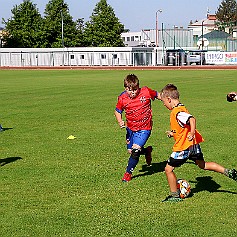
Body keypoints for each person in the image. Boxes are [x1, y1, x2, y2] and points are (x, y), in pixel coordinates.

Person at [160, 84, 237, 202]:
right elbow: (182, 127)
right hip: (193, 146)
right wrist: (173, 133)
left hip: (183, 147)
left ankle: (175, 195)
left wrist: (191, 132)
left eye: (164, 102)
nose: (164, 104)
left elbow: (191, 119)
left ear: (169, 99)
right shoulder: (182, 107)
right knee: (203, 165)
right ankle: (228, 172)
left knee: (168, 169)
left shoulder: (177, 111)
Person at [115, 74, 160, 182]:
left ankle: (128, 173)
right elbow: (118, 110)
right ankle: (147, 151)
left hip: (145, 128)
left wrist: (170, 102)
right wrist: (120, 121)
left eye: (135, 89)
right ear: (125, 88)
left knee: (135, 151)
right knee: (131, 151)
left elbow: (159, 95)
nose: (133, 92)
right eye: (130, 90)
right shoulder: (122, 97)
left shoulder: (146, 91)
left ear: (138, 87)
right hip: (130, 129)